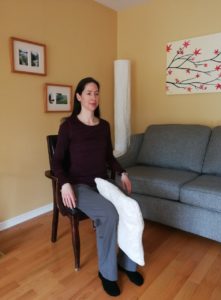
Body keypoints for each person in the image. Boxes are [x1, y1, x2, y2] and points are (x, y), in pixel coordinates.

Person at [53, 77, 144, 296]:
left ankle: (127, 263)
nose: (93, 97)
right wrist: (64, 184)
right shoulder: (69, 126)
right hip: (78, 186)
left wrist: (122, 172)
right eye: (88, 93)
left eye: (96, 93)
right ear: (79, 97)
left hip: (102, 183)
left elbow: (108, 157)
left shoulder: (104, 126)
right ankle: (107, 273)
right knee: (110, 214)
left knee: (132, 208)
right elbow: (57, 162)